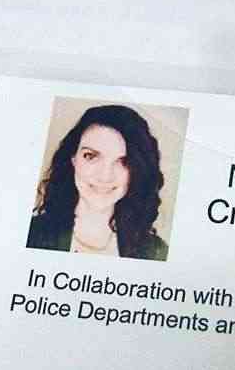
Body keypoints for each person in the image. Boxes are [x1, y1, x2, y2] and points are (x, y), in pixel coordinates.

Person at [27, 104, 168, 260]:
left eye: (124, 161)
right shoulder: (30, 235)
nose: (105, 176)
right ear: (73, 159)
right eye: (91, 156)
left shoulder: (156, 252)